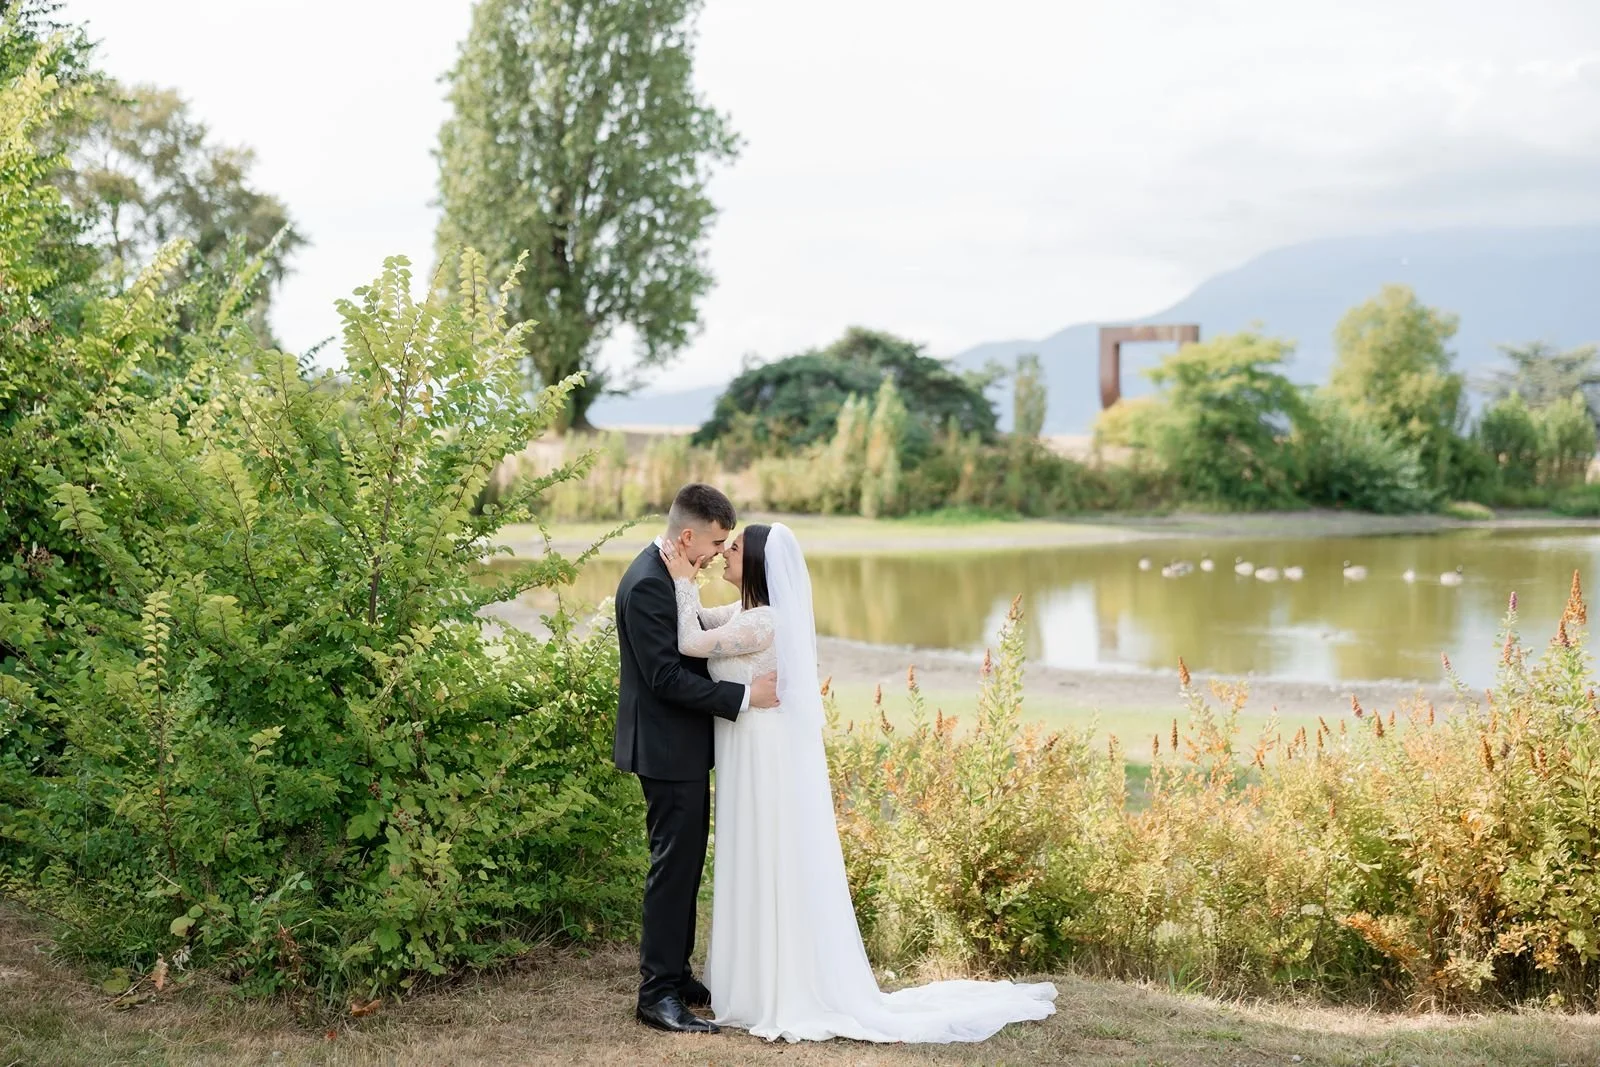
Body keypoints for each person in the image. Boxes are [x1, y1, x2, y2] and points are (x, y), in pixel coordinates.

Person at [660, 521, 1058, 1042]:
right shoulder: (741, 615)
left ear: (754, 562)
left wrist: (682, 575)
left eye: (732, 549)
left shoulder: (764, 623)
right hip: (746, 751)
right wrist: (682, 574)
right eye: (723, 547)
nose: (724, 556)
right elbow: (692, 624)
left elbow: (690, 641)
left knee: (770, 853)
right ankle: (756, 977)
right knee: (753, 854)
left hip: (764, 755)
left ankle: (781, 983)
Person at [613, 484, 779, 1034]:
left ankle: (677, 974)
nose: (715, 553)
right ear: (688, 536)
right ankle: (655, 993)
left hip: (679, 747)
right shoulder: (648, 586)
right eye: (714, 542)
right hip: (664, 750)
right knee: (672, 867)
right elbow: (664, 678)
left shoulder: (666, 577)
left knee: (685, 866)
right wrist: (742, 698)